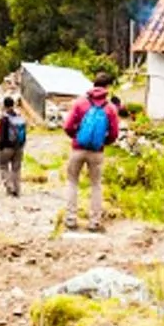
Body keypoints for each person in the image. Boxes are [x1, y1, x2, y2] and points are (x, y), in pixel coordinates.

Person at [63, 73, 121, 232]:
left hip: (77, 149)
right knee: (96, 185)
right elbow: (114, 133)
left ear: (93, 85)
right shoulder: (110, 108)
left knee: (72, 182)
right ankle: (94, 222)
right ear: (107, 87)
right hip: (97, 152)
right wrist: (103, 143)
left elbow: (67, 126)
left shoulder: (80, 103)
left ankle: (70, 219)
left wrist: (76, 138)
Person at [0, 97, 28, 198]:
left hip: (7, 147)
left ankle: (10, 187)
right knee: (16, 169)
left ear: (4, 105)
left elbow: (1, 134)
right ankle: (17, 190)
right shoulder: (20, 116)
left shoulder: (4, 118)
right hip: (19, 146)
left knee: (3, 166)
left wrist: (0, 146)